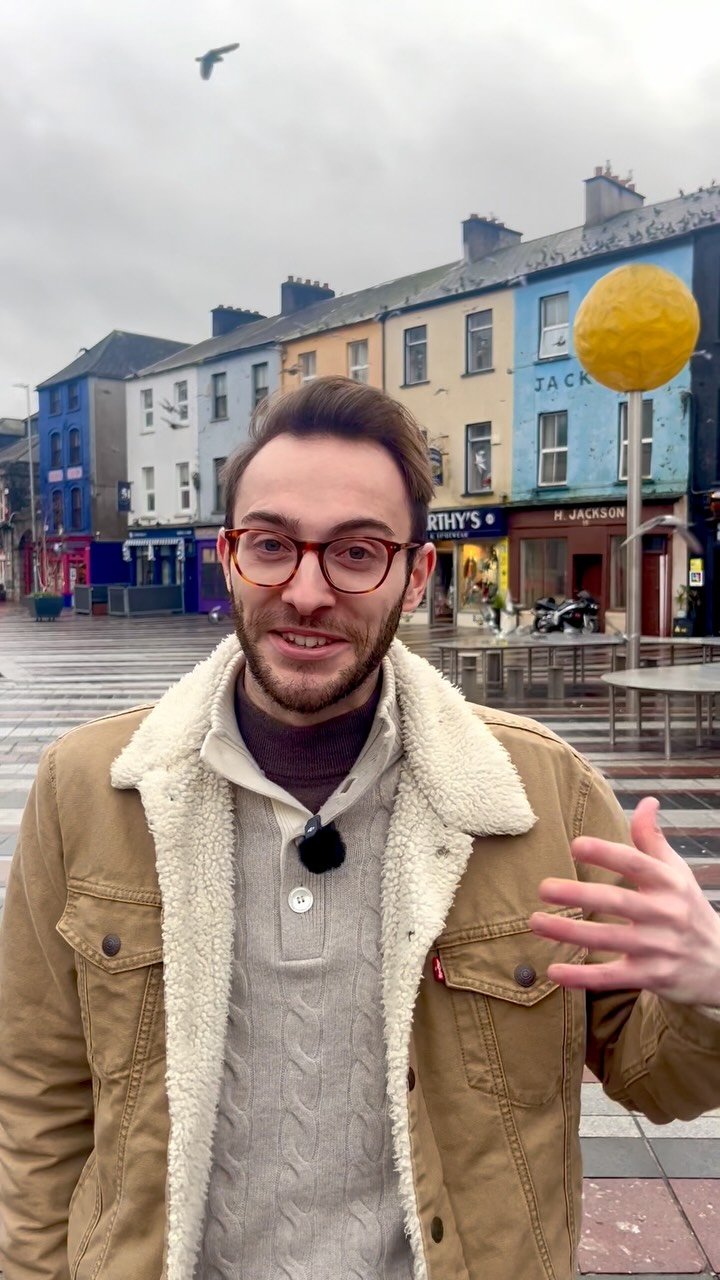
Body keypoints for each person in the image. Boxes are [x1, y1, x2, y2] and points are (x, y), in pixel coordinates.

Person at [0, 376, 719, 1280]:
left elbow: (658, 1078)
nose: (306, 591)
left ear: (416, 573)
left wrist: (709, 991)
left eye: (356, 552)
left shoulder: (545, 799)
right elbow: (38, 1099)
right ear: (229, 556)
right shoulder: (89, 790)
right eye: (271, 545)